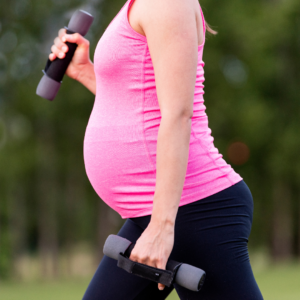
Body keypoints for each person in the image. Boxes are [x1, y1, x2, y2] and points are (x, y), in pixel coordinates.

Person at [49, 0, 264, 299]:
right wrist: (85, 71)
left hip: (196, 209)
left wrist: (163, 227)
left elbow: (178, 114)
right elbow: (137, 101)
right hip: (154, 213)